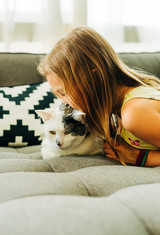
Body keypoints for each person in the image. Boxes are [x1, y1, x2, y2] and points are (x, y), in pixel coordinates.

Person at [38, 27, 160, 167]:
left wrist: (140, 158)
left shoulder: (134, 113)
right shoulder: (119, 111)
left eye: (64, 93)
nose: (63, 102)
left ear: (93, 79)